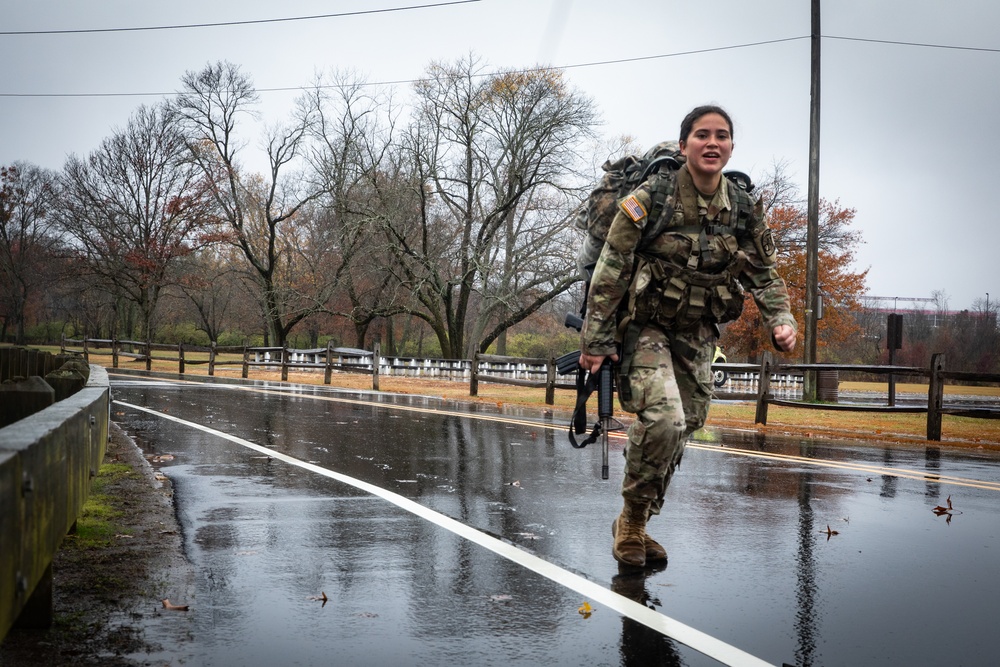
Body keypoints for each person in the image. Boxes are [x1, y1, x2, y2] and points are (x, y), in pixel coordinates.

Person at [578, 105, 797, 567]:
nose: (712, 142)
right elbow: (611, 266)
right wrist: (596, 339)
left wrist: (782, 319)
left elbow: (764, 271)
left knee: (686, 426)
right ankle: (633, 526)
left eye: (722, 135)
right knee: (665, 421)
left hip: (697, 329)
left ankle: (634, 518)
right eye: (702, 134)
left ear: (732, 146)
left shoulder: (740, 207)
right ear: (684, 146)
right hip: (646, 326)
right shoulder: (651, 196)